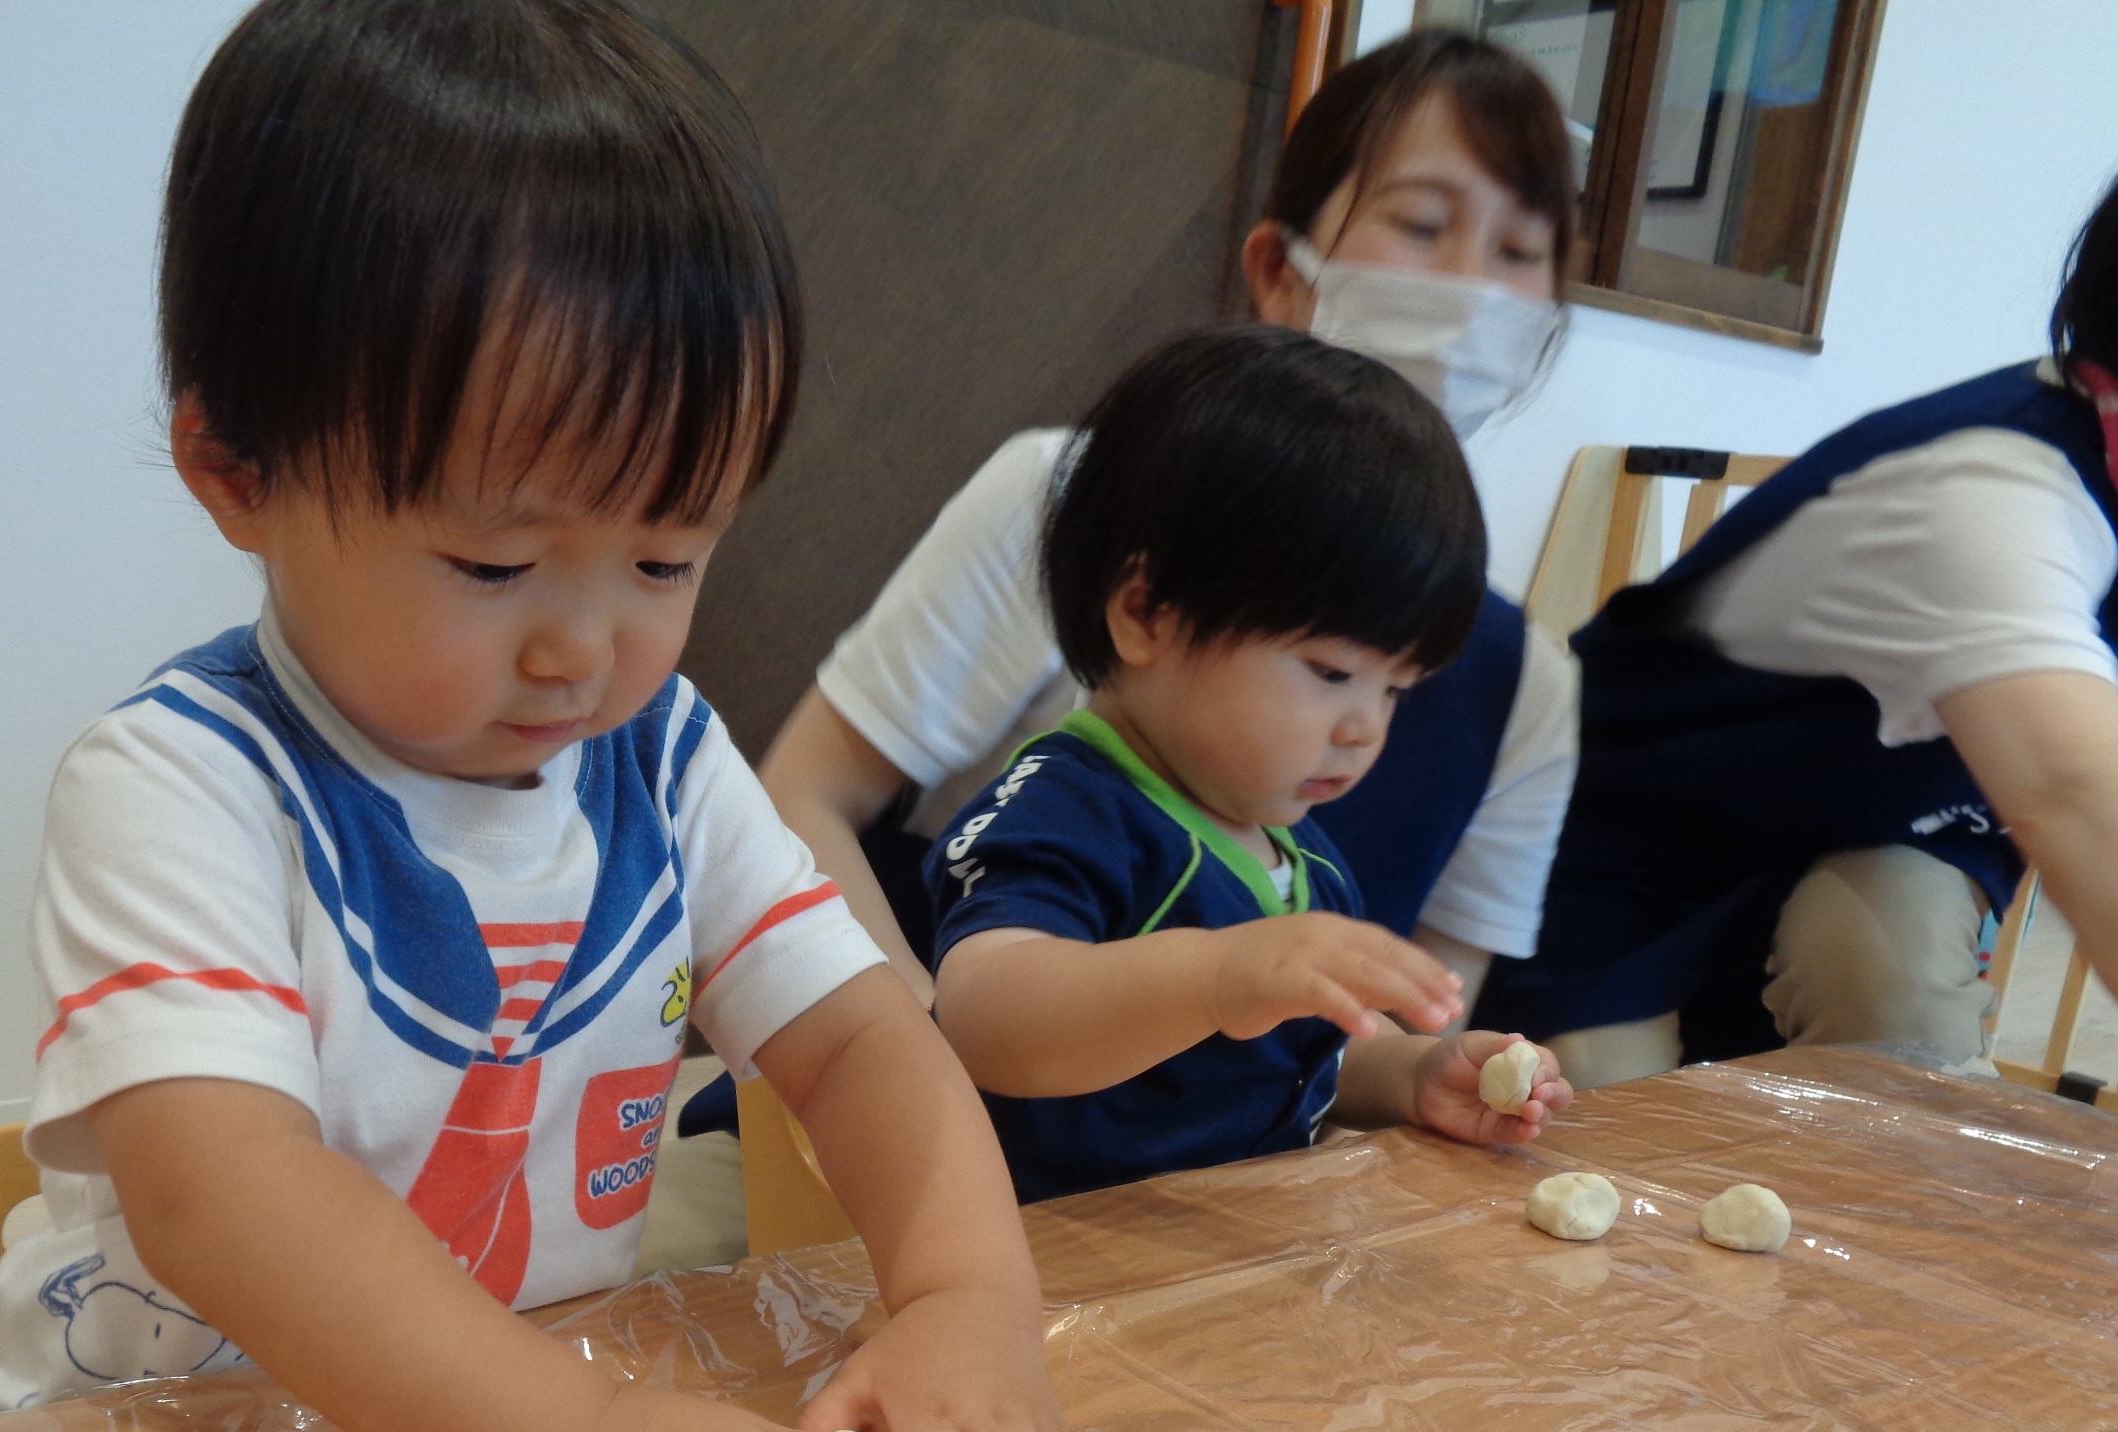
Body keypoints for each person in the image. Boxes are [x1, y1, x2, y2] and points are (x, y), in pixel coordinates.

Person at [0, 0, 1128, 1432]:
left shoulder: (655, 758)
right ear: (235, 467)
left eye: (666, 556)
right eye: (495, 565)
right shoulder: (179, 782)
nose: (587, 644)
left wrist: (967, 1298)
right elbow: (225, 1197)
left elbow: (866, 1040)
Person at [748, 29, 1582, 1058]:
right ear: (1280, 270)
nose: (1474, 294)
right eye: (1420, 224)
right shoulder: (1068, 497)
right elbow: (804, 798)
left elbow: (1401, 1023)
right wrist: (924, 1081)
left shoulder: (1525, 689)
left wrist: (1429, 1074)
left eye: (1519, 251)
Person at [1476, 179, 2118, 1084]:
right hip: (1637, 825)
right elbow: (2079, 797)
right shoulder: (1995, 491)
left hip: (1887, 826)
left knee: (1898, 1012)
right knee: (1586, 1126)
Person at [928, 328, 1571, 1202]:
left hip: (1217, 1251)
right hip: (1034, 1249)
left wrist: (1418, 1074)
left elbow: (1314, 1057)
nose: (1363, 729)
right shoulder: (1067, 808)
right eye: (1333, 673)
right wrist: (1220, 977)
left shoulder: (1299, 861)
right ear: (1148, 614)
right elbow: (988, 1018)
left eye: (1394, 691)